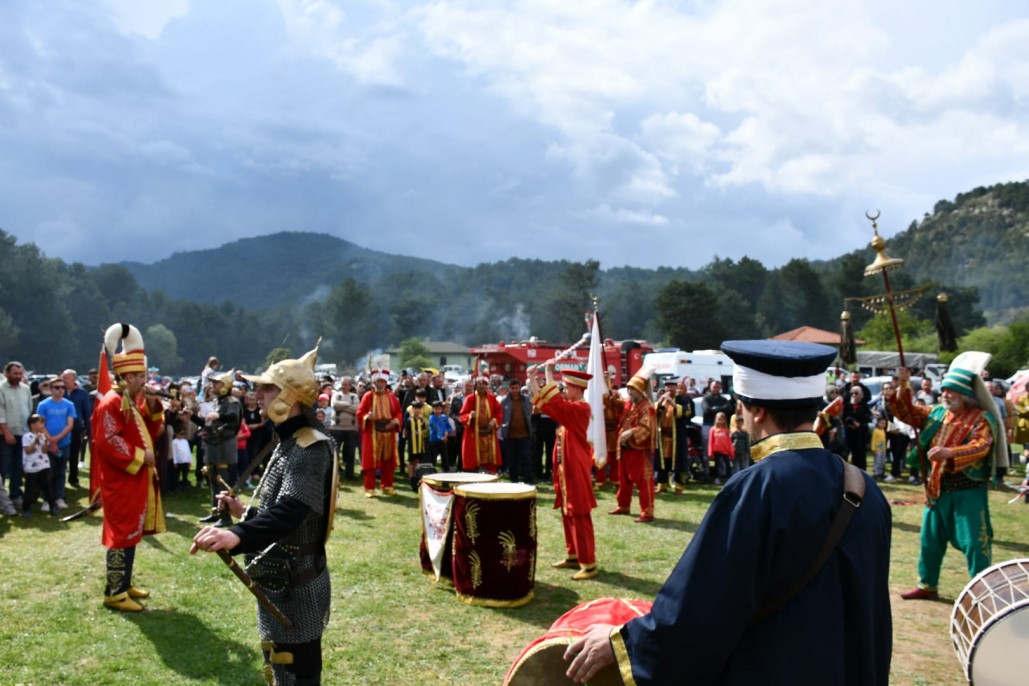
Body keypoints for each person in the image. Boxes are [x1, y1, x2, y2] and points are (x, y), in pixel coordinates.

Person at [564, 340, 892, 685]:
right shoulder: (866, 490)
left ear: (757, 411)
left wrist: (625, 645)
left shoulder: (756, 489)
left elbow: (701, 611)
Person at [191, 343, 337, 686]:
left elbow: (294, 510)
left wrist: (237, 535)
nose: (258, 394)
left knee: (296, 672)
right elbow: (281, 509)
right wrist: (244, 513)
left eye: (268, 388)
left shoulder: (310, 446)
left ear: (291, 396)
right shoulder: (289, 441)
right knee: (278, 670)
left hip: (297, 580)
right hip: (279, 577)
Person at [891, 354, 1007, 600]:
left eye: (952, 391)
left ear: (965, 394)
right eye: (944, 390)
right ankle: (927, 585)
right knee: (929, 540)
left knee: (975, 542)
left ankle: (982, 590)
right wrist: (903, 384)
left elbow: (981, 446)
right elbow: (907, 413)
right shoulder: (936, 413)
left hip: (968, 490)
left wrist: (949, 452)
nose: (946, 395)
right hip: (937, 488)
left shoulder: (980, 418)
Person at [93, 323, 166, 612]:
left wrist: (153, 405)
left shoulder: (130, 400)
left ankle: (124, 584)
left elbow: (151, 428)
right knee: (122, 532)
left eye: (142, 375)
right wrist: (139, 455)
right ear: (125, 376)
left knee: (131, 531)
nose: (141, 380)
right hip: (121, 478)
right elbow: (106, 440)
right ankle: (114, 591)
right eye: (137, 376)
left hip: (133, 477)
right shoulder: (111, 402)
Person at [529, 362, 599, 580]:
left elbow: (555, 402)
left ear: (577, 389)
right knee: (567, 511)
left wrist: (548, 372)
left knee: (579, 512)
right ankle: (573, 554)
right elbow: (546, 403)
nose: (564, 390)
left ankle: (588, 563)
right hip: (565, 468)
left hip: (576, 467)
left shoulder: (580, 409)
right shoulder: (570, 408)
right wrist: (532, 378)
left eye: (567, 387)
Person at [609, 370, 656, 523]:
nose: (629, 391)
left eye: (633, 389)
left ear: (640, 390)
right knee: (624, 480)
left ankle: (647, 512)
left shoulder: (647, 407)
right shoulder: (629, 403)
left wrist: (630, 432)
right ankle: (623, 505)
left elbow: (646, 428)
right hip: (624, 449)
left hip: (638, 450)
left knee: (643, 481)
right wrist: (606, 384)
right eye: (628, 388)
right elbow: (613, 403)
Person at [200, 369, 242, 526]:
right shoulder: (217, 401)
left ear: (225, 385)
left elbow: (233, 418)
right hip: (213, 443)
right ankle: (215, 512)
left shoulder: (232, 402)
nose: (213, 386)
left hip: (224, 445)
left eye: (216, 383)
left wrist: (219, 416)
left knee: (222, 480)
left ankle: (225, 515)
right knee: (212, 477)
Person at [357, 369, 402, 497]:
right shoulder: (368, 396)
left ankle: (387, 486)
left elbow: (398, 412)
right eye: (378, 381)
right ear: (374, 382)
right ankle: (369, 488)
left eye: (382, 382)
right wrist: (367, 417)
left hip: (388, 432)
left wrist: (395, 421)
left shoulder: (392, 396)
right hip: (373, 432)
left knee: (388, 460)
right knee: (371, 461)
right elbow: (360, 413)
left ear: (386, 382)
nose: (380, 384)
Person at [36, 375, 77, 511]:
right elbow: (41, 425)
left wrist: (57, 439)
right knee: (48, 472)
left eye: (62, 387)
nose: (60, 390)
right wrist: (51, 440)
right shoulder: (43, 405)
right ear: (50, 389)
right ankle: (47, 500)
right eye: (57, 387)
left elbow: (70, 424)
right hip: (47, 444)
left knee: (61, 472)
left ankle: (59, 497)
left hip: (64, 443)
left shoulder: (69, 404)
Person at [1, 361, 33, 509]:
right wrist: (7, 432)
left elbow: (29, 408)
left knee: (19, 467)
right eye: (15, 373)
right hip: (5, 435)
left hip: (23, 433)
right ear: (7, 373)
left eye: (20, 374)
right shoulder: (1, 389)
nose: (18, 376)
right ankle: (2, 499)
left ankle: (15, 495)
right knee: (3, 466)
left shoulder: (26, 389)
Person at [459, 375, 502, 474]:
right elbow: (462, 415)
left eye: (484, 384)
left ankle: (489, 474)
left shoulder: (492, 398)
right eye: (479, 384)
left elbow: (499, 411)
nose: (482, 386)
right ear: (476, 386)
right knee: (474, 457)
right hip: (474, 433)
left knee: (490, 457)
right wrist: (470, 415)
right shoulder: (470, 398)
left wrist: (494, 420)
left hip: (488, 433)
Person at [21, 414, 57, 516]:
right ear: (32, 425)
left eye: (43, 423)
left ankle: (52, 506)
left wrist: (45, 443)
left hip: (44, 466)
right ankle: (26, 509)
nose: (42, 425)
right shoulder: (27, 436)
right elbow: (28, 451)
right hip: (32, 467)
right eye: (40, 423)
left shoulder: (43, 436)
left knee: (47, 487)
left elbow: (45, 451)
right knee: (30, 488)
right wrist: (35, 442)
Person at [500, 378, 534, 484]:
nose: (514, 390)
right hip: (510, 435)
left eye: (516, 388)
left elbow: (531, 413)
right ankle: (514, 480)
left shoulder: (527, 400)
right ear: (509, 389)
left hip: (525, 434)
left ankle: (528, 480)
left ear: (520, 388)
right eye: (512, 388)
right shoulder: (504, 401)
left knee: (527, 459)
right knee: (511, 460)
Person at [330, 377, 360, 480]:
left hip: (351, 429)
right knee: (335, 452)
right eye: (343, 384)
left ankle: (349, 474)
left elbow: (356, 409)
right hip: (336, 428)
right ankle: (334, 474)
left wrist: (341, 407)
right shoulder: (336, 395)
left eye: (346, 384)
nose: (344, 386)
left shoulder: (354, 396)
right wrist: (348, 405)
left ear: (350, 386)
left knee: (350, 453)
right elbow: (334, 405)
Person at [403, 400, 428, 482]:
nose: (417, 410)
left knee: (418, 460)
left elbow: (423, 430)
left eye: (418, 408)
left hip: (420, 444)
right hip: (412, 443)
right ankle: (410, 476)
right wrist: (407, 438)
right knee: (411, 461)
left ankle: (416, 475)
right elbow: (406, 431)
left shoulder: (421, 420)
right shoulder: (409, 420)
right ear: (412, 409)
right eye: (415, 408)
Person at [707, 411, 734, 484]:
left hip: (725, 451)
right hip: (716, 451)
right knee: (717, 465)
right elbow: (710, 441)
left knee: (728, 465)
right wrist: (710, 452)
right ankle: (716, 478)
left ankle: (729, 478)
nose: (720, 421)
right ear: (716, 419)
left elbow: (729, 442)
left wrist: (731, 452)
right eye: (719, 419)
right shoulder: (713, 429)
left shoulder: (726, 430)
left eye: (722, 419)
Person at [427, 400, 453, 471]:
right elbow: (436, 428)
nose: (438, 411)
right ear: (433, 409)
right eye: (436, 409)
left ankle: (446, 474)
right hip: (434, 441)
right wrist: (442, 437)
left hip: (443, 441)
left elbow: (448, 427)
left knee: (445, 459)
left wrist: (446, 434)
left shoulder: (444, 417)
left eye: (439, 409)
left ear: (442, 409)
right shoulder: (431, 418)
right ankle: (431, 473)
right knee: (433, 459)